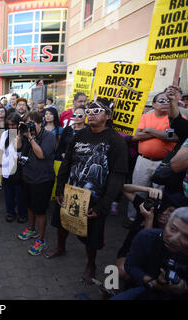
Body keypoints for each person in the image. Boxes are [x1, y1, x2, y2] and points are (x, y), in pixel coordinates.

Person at [47, 97, 128, 284]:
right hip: (71, 192)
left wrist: (103, 206)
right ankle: (61, 248)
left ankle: (91, 265)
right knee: (61, 224)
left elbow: (118, 177)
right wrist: (60, 190)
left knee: (92, 237)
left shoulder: (116, 141)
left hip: (95, 199)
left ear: (108, 115)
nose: (91, 114)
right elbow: (66, 164)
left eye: (96, 111)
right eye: (89, 111)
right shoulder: (80, 135)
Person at [111, 207, 188, 300]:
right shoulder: (146, 237)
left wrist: (183, 287)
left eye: (186, 237)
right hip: (146, 288)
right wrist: (153, 282)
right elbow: (130, 266)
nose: (174, 239)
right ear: (167, 223)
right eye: (172, 229)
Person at [127, 91, 178, 223]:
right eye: (161, 101)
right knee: (138, 190)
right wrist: (163, 134)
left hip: (163, 163)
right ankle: (133, 218)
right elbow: (137, 137)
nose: (166, 103)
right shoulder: (146, 117)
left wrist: (150, 130)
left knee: (159, 193)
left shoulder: (174, 118)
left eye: (168, 100)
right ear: (154, 104)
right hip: (143, 161)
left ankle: (155, 220)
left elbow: (174, 137)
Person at [116, 184, 176, 282]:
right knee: (121, 272)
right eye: (164, 208)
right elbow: (125, 189)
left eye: (171, 211)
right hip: (129, 251)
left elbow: (146, 249)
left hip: (150, 260)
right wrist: (148, 189)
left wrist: (149, 220)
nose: (164, 213)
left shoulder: (174, 232)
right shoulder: (146, 208)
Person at [16, 111, 56, 255]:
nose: (30, 126)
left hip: (42, 179)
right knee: (30, 206)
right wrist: (20, 134)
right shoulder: (26, 134)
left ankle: (40, 239)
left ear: (40, 122)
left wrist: (31, 138)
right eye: (27, 123)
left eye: (32, 123)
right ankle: (31, 230)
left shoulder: (49, 136)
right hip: (28, 176)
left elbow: (40, 155)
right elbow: (17, 147)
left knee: (39, 210)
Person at [0, 113, 27, 223]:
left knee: (20, 194)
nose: (11, 127)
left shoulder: (24, 135)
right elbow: (0, 150)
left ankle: (22, 214)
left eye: (13, 125)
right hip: (7, 168)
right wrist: (0, 164)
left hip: (20, 169)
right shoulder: (5, 134)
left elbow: (18, 148)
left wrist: (19, 135)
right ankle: (10, 212)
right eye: (9, 125)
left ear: (18, 124)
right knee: (8, 194)